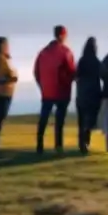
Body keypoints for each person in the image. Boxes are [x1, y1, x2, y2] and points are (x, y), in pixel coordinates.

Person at [34, 25, 76, 154]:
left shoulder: (43, 52)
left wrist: (42, 85)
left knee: (44, 117)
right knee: (59, 120)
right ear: (63, 35)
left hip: (46, 91)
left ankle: (39, 144)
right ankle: (58, 145)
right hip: (61, 91)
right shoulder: (65, 52)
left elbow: (36, 72)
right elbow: (72, 70)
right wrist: (70, 81)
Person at [75, 37, 103, 153]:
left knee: (81, 120)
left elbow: (76, 76)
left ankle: (82, 143)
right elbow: (103, 75)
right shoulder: (96, 61)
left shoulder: (81, 61)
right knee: (90, 119)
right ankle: (86, 141)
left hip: (81, 94)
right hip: (93, 95)